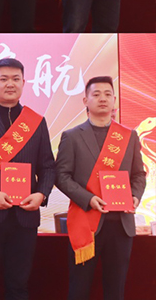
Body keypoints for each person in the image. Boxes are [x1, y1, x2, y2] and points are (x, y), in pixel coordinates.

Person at [0, 58, 56, 300]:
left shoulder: (36, 122)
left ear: (24, 83)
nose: (10, 84)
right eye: (3, 79)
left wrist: (41, 194)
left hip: (25, 216)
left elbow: (48, 166)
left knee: (19, 284)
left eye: (16, 79)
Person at [55, 76, 147, 300]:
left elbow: (138, 174)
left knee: (115, 290)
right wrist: (88, 198)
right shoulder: (72, 136)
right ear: (85, 100)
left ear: (114, 100)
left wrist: (135, 197)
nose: (102, 99)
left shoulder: (129, 136)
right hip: (85, 222)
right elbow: (61, 176)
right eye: (96, 94)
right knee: (79, 288)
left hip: (121, 226)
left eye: (107, 94)